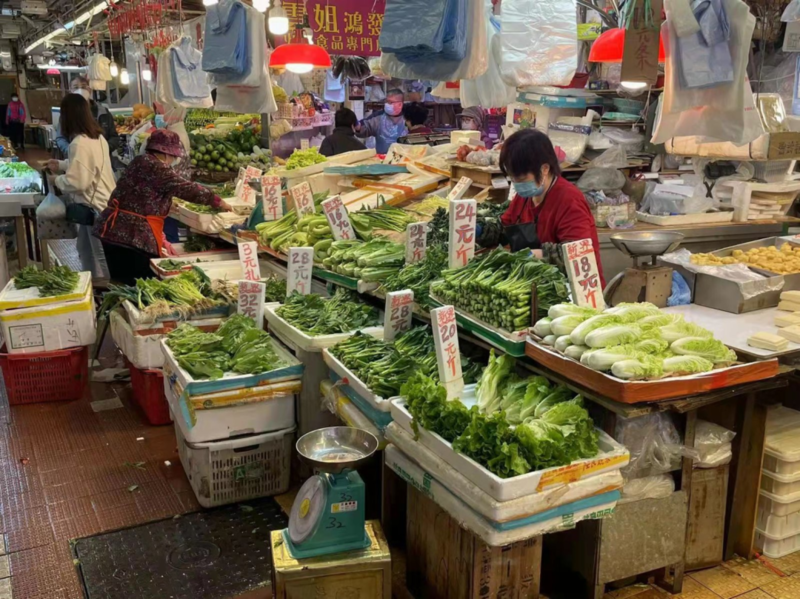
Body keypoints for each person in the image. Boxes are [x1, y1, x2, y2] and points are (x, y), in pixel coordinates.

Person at [93, 130, 231, 285]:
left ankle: (118, 307)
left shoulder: (140, 161)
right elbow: (186, 188)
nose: (174, 160)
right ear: (166, 153)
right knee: (140, 285)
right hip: (132, 236)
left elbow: (141, 194)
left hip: (113, 231)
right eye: (174, 156)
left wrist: (164, 205)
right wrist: (217, 201)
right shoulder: (157, 167)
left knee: (121, 283)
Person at [499, 128, 605, 287]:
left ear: (544, 169)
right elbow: (504, 227)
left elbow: (579, 253)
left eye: (521, 178)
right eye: (513, 178)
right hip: (538, 285)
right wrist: (481, 231)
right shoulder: (524, 198)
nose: (517, 184)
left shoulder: (569, 200)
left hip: (574, 291)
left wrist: (538, 254)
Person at [46, 94, 115, 281]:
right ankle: (90, 287)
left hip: (95, 209)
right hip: (104, 203)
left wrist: (56, 180)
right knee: (84, 249)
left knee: (100, 255)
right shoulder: (98, 138)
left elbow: (78, 182)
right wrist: (61, 165)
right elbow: (86, 165)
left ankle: (114, 296)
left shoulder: (79, 143)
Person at [55, 76, 120, 158]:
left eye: (83, 87)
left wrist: (104, 149)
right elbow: (60, 138)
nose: (80, 90)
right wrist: (71, 151)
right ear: (70, 91)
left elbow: (114, 137)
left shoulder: (103, 112)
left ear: (89, 89)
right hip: (76, 160)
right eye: (76, 87)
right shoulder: (67, 114)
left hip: (102, 160)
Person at [356, 88, 407, 154]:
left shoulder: (408, 118)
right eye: (386, 101)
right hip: (383, 160)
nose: (387, 104)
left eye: (390, 102)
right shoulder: (378, 117)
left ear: (400, 104)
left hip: (406, 159)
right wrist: (358, 126)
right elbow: (365, 127)